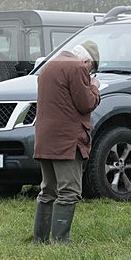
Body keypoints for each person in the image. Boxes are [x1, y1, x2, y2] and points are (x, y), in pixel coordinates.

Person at [32, 40, 101, 244]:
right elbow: (85, 104)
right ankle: (60, 241)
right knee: (69, 191)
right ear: (87, 60)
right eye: (91, 69)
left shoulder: (48, 66)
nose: (89, 73)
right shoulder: (77, 67)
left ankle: (40, 239)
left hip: (45, 139)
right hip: (67, 142)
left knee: (48, 190)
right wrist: (95, 88)